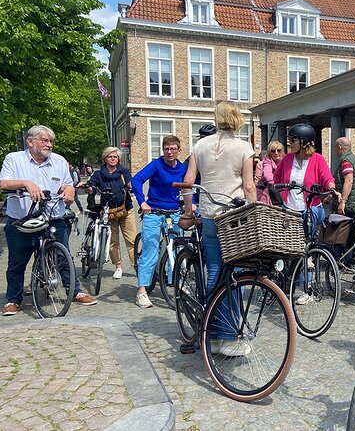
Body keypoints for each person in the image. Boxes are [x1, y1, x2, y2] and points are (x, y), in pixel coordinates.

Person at [0, 125, 97, 316]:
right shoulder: (14, 159)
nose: (49, 145)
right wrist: (26, 183)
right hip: (22, 221)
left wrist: (69, 190)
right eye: (44, 140)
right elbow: (4, 183)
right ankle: (13, 299)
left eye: (51, 141)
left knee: (63, 257)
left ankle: (74, 292)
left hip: (53, 218)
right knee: (17, 263)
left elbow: (68, 183)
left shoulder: (59, 161)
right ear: (30, 142)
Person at [182, 101, 256, 356]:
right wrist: (255, 212)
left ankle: (210, 334)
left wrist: (190, 211)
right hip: (233, 217)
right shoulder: (244, 147)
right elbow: (248, 187)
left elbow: (189, 181)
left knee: (215, 268)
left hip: (210, 216)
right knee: (233, 275)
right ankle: (226, 337)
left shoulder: (200, 145)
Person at [274, 123, 341, 305]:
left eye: (293, 140)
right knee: (289, 250)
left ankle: (308, 288)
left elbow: (327, 178)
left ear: (304, 142)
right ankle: (285, 283)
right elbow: (277, 179)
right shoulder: (287, 159)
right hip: (290, 211)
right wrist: (282, 194)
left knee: (307, 252)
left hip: (310, 209)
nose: (290, 144)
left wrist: (332, 190)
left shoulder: (317, 159)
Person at [131, 135, 187, 308]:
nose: (169, 152)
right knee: (150, 249)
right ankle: (142, 291)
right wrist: (142, 202)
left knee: (176, 248)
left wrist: (191, 206)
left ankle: (175, 282)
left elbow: (189, 187)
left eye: (172, 148)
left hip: (175, 212)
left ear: (179, 150)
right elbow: (136, 179)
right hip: (154, 211)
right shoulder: (156, 165)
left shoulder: (183, 168)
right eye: (166, 148)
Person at [87, 147, 136, 280]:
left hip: (126, 209)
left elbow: (130, 182)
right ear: (105, 159)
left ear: (118, 159)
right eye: (110, 156)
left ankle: (136, 266)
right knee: (112, 241)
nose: (113, 159)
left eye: (115, 157)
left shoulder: (123, 172)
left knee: (131, 239)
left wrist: (131, 185)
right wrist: (90, 188)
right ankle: (118, 266)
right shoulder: (99, 174)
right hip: (108, 211)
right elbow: (92, 184)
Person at [333, 137, 355, 217]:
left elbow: (348, 182)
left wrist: (342, 202)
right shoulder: (353, 158)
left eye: (335, 147)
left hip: (350, 206)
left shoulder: (346, 161)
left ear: (339, 147)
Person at [255, 140, 284, 205]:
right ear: (269, 153)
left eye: (278, 150)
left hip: (280, 192)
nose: (276, 153)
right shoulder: (267, 161)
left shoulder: (285, 161)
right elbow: (267, 175)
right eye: (273, 151)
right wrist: (277, 183)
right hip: (266, 194)